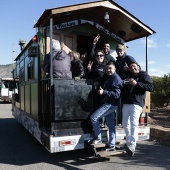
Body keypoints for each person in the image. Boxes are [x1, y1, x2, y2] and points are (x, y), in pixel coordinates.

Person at [121, 61, 154, 156]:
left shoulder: (143, 75)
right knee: (125, 124)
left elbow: (151, 87)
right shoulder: (128, 75)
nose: (132, 68)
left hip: (136, 103)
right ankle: (128, 143)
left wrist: (137, 84)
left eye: (134, 66)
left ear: (138, 67)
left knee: (134, 124)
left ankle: (132, 145)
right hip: (126, 103)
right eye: (131, 67)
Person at [89, 62, 123, 151]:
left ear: (114, 69)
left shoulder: (117, 80)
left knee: (93, 118)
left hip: (110, 104)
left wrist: (104, 92)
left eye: (110, 68)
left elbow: (117, 95)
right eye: (107, 68)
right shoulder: (109, 77)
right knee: (111, 125)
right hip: (109, 103)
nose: (108, 70)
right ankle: (112, 144)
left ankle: (98, 138)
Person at [86, 50, 107, 128]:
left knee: (102, 107)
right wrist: (89, 69)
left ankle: (102, 123)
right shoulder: (94, 66)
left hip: (102, 90)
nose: (99, 57)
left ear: (104, 57)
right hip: (94, 90)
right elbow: (89, 77)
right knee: (96, 106)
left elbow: (108, 78)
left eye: (101, 56)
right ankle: (96, 123)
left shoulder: (106, 66)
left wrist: (102, 86)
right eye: (97, 56)